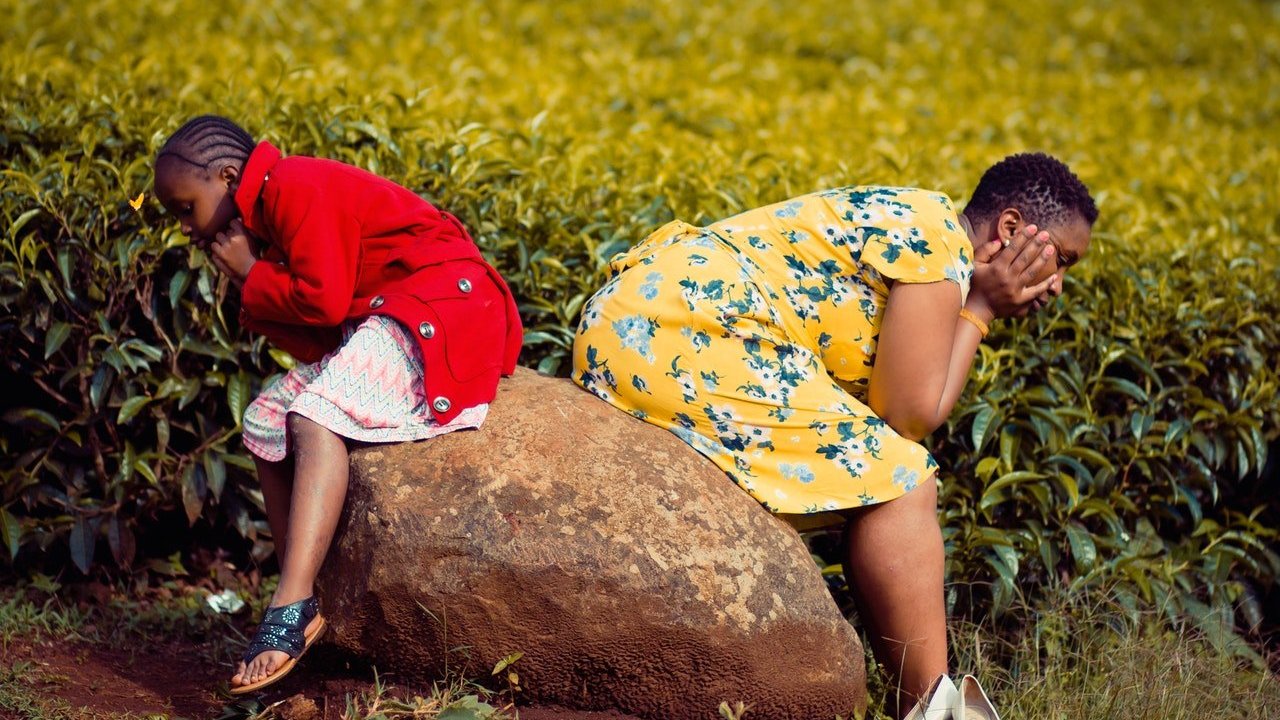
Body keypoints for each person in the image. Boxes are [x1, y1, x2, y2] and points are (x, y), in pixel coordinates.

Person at [571, 153, 1096, 719]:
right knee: (903, 482)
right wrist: (983, 306)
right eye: (1061, 259)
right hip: (683, 329)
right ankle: (939, 714)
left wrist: (976, 305)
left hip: (641, 317)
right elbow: (909, 416)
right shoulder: (937, 240)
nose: (1059, 285)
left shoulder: (922, 221)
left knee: (884, 471)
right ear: (1012, 229)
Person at [152, 116, 523, 694]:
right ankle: (307, 594)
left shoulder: (295, 185)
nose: (183, 228)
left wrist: (253, 274)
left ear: (227, 177)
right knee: (266, 418)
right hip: (388, 312)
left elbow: (322, 304)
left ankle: (291, 601)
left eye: (184, 208)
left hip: (441, 302)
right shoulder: (266, 211)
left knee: (312, 415)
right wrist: (256, 276)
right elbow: (325, 335)